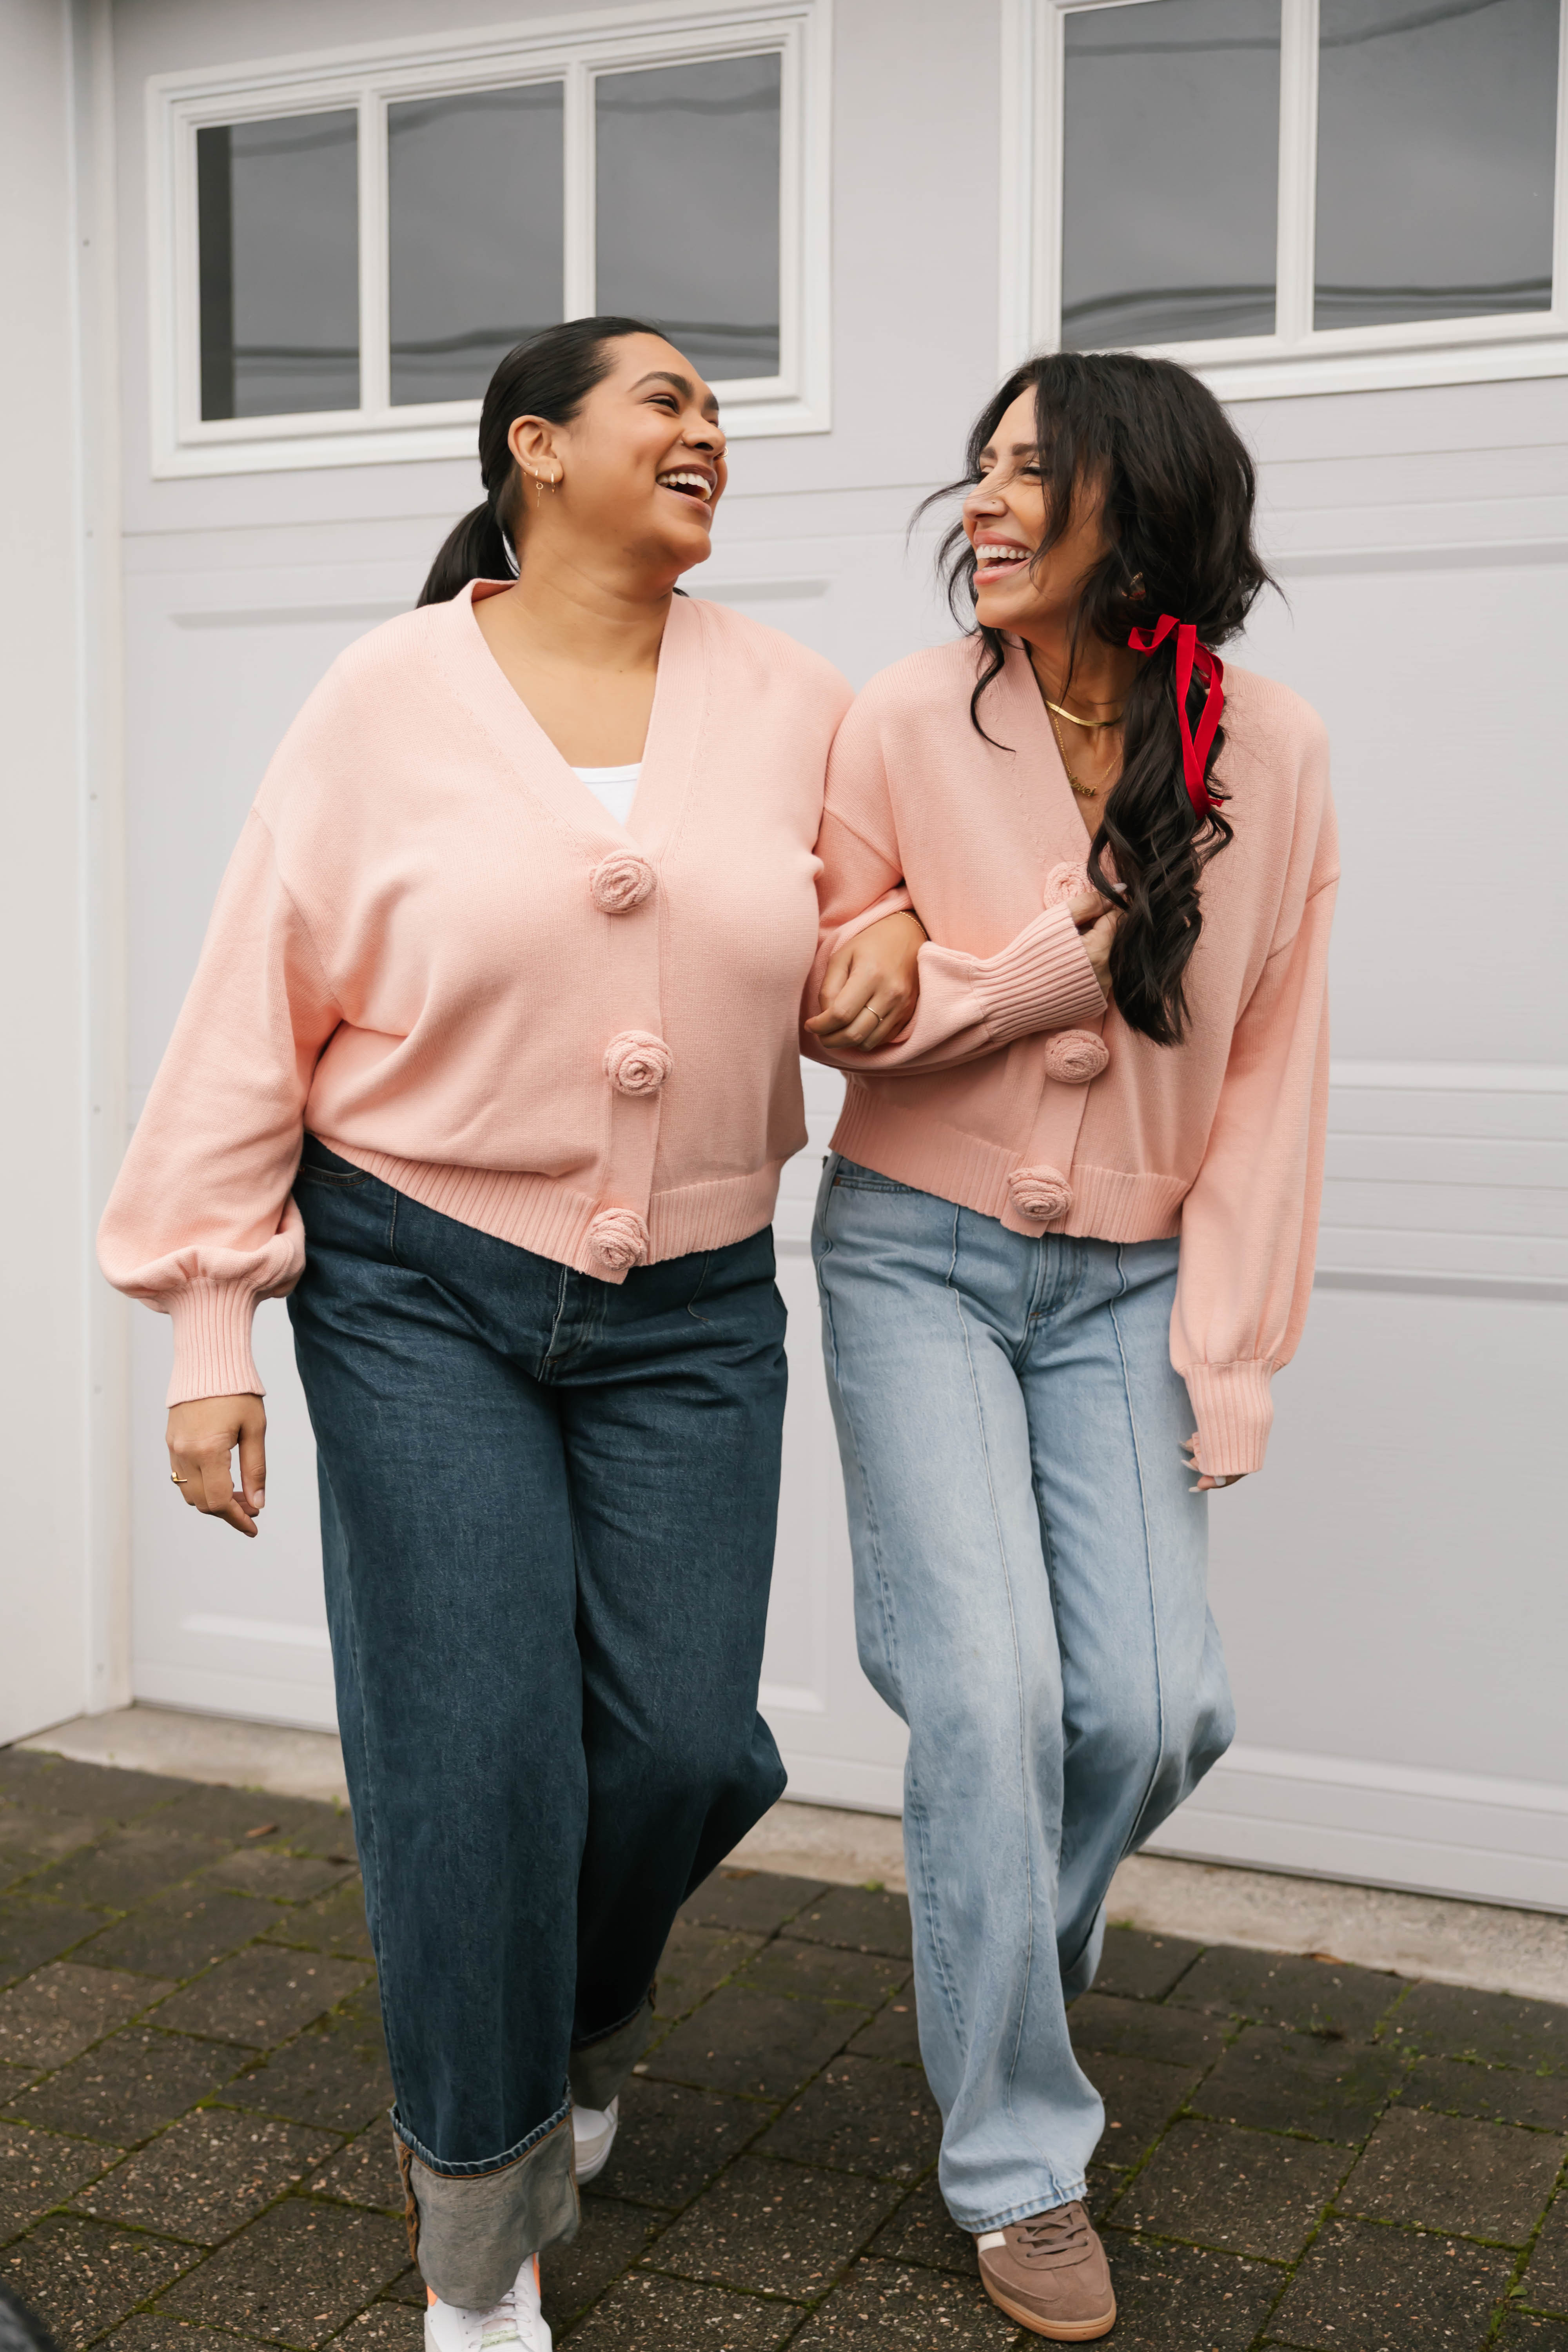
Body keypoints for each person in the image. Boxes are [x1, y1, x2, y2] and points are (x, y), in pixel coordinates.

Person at [98, 317, 922, 2351]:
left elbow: (837, 956)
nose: (708, 431)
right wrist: (214, 1315)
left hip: (698, 1305)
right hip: (412, 1285)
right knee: (472, 1767)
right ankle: (480, 2237)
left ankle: (582, 2005)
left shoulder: (801, 703)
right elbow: (252, 999)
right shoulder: (383, 700)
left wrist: (888, 954)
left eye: (719, 412)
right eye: (669, 401)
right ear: (536, 450)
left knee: (679, 1745)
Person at [803, 350, 1337, 2340]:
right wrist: (1033, 966)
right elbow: (840, 1015)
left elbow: (1272, 1062)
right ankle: (1019, 2157)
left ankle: (984, 1957)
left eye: (1039, 468)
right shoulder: (898, 716)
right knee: (995, 1707)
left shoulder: (1267, 752)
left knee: (1153, 1712)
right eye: (985, 466)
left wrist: (1235, 1344)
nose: (989, 500)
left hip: (1126, 1282)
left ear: (1150, 499)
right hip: (917, 1260)